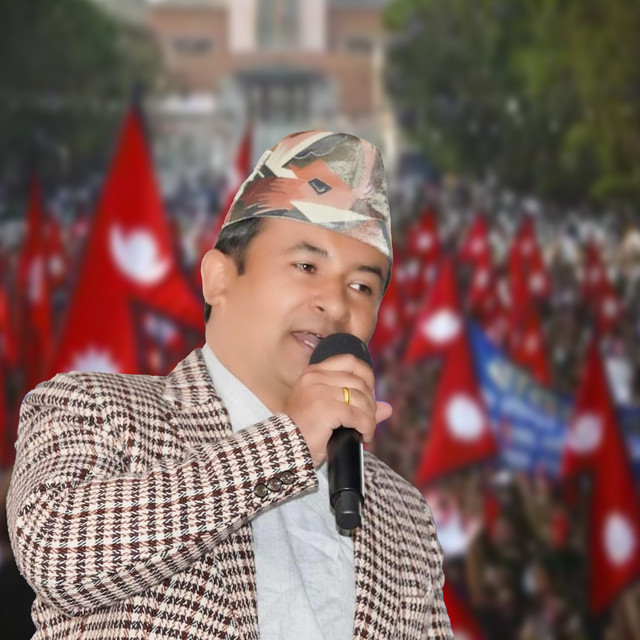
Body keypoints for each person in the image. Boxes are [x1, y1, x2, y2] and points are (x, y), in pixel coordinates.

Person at [7, 130, 452, 639]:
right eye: (306, 266)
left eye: (361, 286)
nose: (335, 303)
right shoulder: (96, 409)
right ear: (218, 278)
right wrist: (290, 443)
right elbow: (51, 552)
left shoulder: (402, 511)